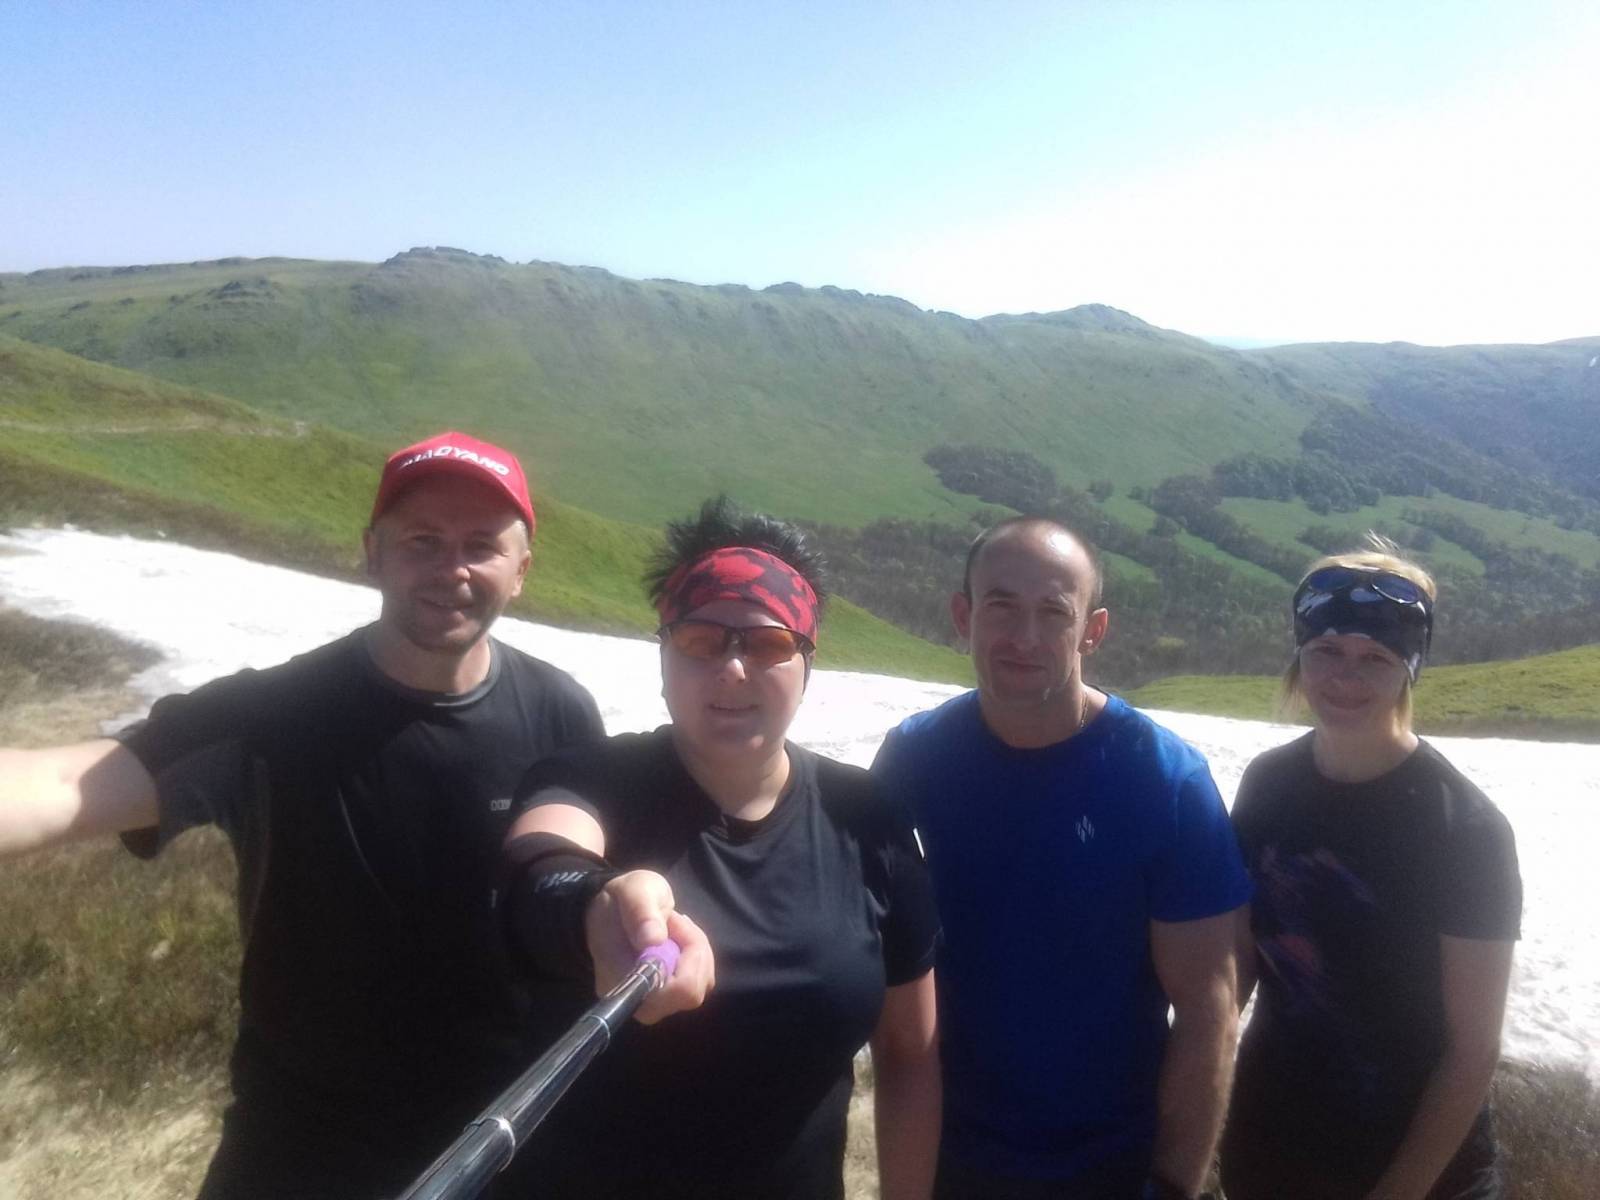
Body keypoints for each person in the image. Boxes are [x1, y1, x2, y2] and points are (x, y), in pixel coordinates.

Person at [0, 431, 606, 1200]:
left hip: (503, 1143)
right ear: (372, 552)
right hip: (298, 1149)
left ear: (521, 571)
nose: (451, 569)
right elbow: (66, 781)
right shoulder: (271, 715)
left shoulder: (562, 714)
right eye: (422, 540)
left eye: (481, 546)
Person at [498, 495, 941, 1200]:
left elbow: (908, 1052)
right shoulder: (589, 779)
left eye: (767, 644)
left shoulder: (868, 818)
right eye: (701, 640)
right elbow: (539, 861)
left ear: (806, 662)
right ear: (664, 656)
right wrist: (593, 905)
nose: (733, 669)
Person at [872, 515, 1252, 1200]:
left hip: (1111, 1167)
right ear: (963, 616)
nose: (1024, 637)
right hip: (946, 1155)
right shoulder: (913, 758)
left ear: (1092, 631)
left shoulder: (1164, 779)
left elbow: (1208, 1010)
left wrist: (1170, 1186)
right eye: (1001, 606)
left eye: (1053, 613)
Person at [1220, 539, 1522, 1200]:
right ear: (1299, 655)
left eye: (1375, 658)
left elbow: (1472, 1051)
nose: (1345, 678)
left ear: (1409, 669)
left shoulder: (1466, 829)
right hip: (1267, 1149)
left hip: (1420, 1172)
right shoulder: (1268, 784)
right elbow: (1237, 969)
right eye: (1326, 650)